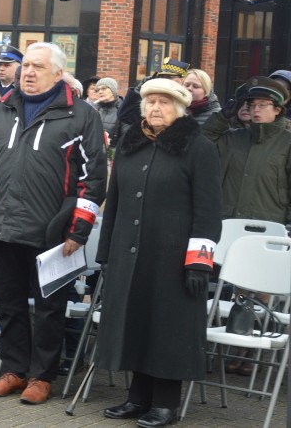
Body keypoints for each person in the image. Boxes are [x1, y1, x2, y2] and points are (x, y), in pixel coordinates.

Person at [0, 42, 107, 405]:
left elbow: (94, 179)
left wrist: (79, 229)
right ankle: (13, 370)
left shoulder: (82, 115)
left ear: (58, 74)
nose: (28, 72)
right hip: (3, 226)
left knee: (49, 309)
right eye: (25, 65)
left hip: (54, 232)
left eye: (38, 67)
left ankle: (42, 376)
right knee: (8, 304)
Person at [96, 78, 222, 427]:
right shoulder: (129, 145)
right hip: (130, 252)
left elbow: (209, 210)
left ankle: (165, 403)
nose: (155, 109)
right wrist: (106, 254)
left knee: (167, 328)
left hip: (174, 256)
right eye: (150, 102)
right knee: (136, 321)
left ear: (180, 109)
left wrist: (199, 262)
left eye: (164, 103)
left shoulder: (198, 148)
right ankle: (137, 397)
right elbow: (116, 202)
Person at [202, 77, 291, 376]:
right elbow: (202, 140)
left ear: (278, 109)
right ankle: (238, 345)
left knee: (257, 287)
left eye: (263, 105)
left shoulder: (288, 141)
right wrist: (223, 114)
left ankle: (247, 349)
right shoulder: (235, 138)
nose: (255, 110)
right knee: (239, 287)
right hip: (231, 224)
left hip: (268, 224)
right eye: (251, 105)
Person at [118, 57, 190, 132]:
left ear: (182, 80)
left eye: (170, 77)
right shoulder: (155, 97)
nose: (166, 81)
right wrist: (137, 91)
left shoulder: (187, 99)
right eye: (162, 77)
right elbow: (125, 116)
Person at [93, 77, 123, 147]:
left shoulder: (123, 110)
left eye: (104, 88)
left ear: (113, 91)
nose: (100, 92)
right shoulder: (93, 109)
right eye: (97, 90)